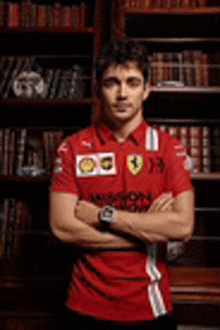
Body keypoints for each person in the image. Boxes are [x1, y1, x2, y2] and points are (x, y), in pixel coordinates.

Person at [50, 38, 195, 330]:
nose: (122, 93)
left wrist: (105, 217)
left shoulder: (169, 149)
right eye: (112, 83)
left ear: (146, 89)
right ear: (98, 89)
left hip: (151, 307)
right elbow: (62, 227)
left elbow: (182, 227)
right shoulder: (73, 148)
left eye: (132, 82)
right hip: (85, 306)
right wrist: (146, 234)